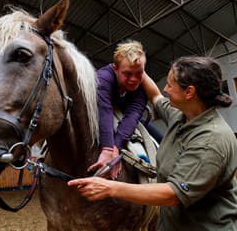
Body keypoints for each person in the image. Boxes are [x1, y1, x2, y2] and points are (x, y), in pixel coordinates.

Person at [68, 56, 237, 231]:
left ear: (189, 92)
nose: (165, 88)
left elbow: (172, 194)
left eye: (170, 85)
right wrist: (136, 64)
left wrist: (110, 188)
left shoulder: (210, 140)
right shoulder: (182, 116)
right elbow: (155, 96)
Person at [89, 40, 162, 179]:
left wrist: (116, 147)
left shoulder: (141, 85)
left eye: (139, 73)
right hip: (101, 111)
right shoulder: (103, 78)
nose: (134, 79)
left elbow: (133, 114)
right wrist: (108, 149)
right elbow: (104, 110)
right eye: (127, 74)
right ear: (115, 69)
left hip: (127, 115)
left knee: (162, 139)